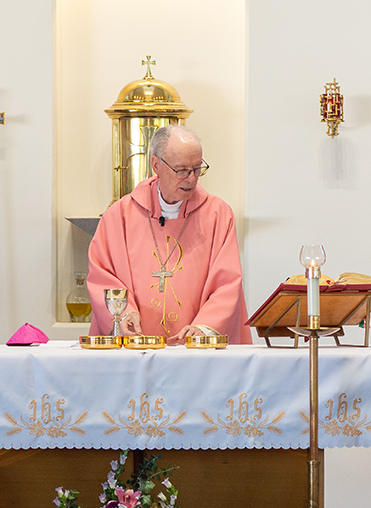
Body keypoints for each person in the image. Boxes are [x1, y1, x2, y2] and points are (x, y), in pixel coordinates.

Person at [87, 124, 251, 344]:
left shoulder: (217, 215)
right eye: (182, 170)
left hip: (195, 354)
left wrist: (204, 326)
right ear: (156, 165)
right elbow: (102, 274)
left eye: (197, 169)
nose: (191, 179)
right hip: (137, 349)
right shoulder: (120, 215)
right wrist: (124, 314)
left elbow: (228, 282)